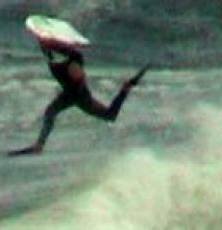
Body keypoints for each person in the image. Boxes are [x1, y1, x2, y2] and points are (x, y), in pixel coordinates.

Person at [8, 41, 149, 156]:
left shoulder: (73, 61)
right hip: (70, 93)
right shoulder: (59, 63)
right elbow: (52, 50)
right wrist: (45, 40)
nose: (79, 74)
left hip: (79, 95)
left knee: (109, 115)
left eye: (79, 72)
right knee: (50, 112)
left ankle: (126, 88)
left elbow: (71, 57)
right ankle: (39, 146)